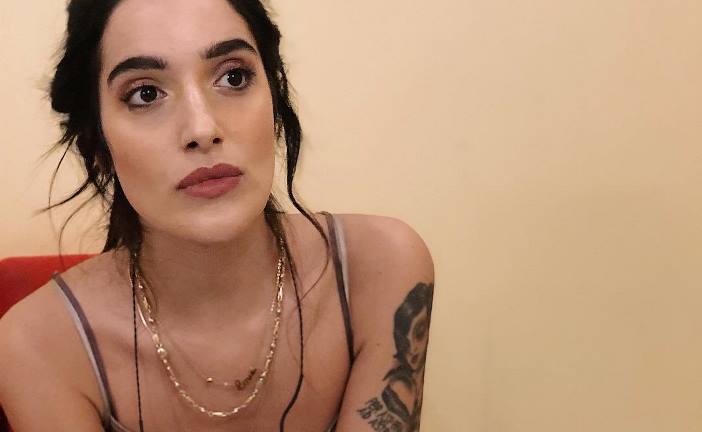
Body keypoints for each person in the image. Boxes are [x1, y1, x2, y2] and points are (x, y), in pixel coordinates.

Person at [0, 0, 435, 431]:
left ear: (275, 101)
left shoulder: (381, 267)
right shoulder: (36, 347)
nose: (202, 128)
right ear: (97, 145)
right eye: (145, 94)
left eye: (234, 77)